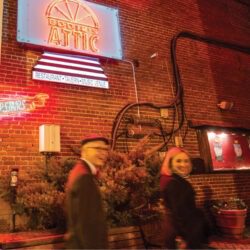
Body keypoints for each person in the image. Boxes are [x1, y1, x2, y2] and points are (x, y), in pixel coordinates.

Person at [160, 147, 210, 249]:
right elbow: (178, 213)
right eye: (178, 161)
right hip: (184, 234)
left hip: (189, 232)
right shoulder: (174, 183)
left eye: (186, 161)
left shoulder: (179, 181)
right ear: (170, 164)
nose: (183, 164)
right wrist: (183, 237)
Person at [65, 134, 110, 249]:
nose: (103, 153)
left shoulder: (80, 171)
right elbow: (86, 226)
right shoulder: (84, 177)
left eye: (105, 149)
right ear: (84, 152)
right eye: (98, 148)